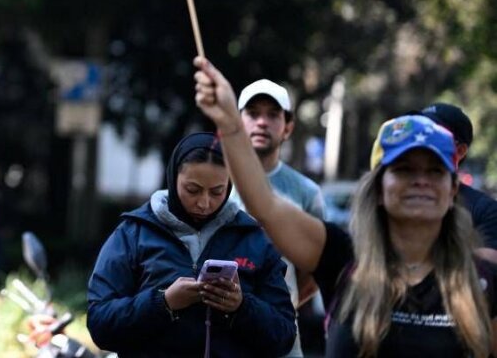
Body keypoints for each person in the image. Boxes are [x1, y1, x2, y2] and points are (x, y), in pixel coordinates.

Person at [194, 57, 497, 357]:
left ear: (453, 189)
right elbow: (265, 205)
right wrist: (230, 123)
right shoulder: (343, 259)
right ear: (379, 188)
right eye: (404, 170)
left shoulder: (482, 279)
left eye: (435, 171)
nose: (420, 181)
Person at [87, 132, 297, 358]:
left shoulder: (254, 239)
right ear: (173, 177)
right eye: (193, 190)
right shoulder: (134, 233)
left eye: (217, 191)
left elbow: (284, 336)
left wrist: (241, 306)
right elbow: (100, 323)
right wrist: (163, 303)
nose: (204, 203)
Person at [233, 79, 325, 357]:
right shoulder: (214, 184)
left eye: (273, 115)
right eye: (253, 113)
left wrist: (279, 307)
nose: (262, 122)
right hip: (220, 336)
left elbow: (316, 270)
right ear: (237, 121)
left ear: (288, 127)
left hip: (280, 341)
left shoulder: (307, 192)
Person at [419, 102, 497, 256]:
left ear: (460, 151)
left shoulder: (484, 211)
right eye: (419, 130)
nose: (422, 140)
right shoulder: (395, 197)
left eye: (435, 136)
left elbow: (488, 265)